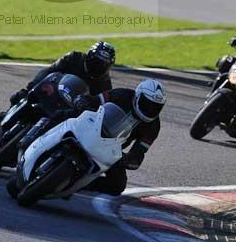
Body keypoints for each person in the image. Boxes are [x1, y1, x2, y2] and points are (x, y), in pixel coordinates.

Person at [9, 78, 166, 199]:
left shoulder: (153, 126)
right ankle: (31, 138)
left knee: (117, 186)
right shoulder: (123, 95)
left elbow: (139, 152)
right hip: (91, 125)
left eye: (156, 107)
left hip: (110, 148)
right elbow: (97, 100)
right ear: (138, 96)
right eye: (147, 103)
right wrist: (83, 101)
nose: (151, 109)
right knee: (60, 115)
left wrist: (130, 160)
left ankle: (75, 185)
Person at [0, 41, 116, 125]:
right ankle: (9, 114)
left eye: (103, 64)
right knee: (21, 95)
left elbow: (100, 108)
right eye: (96, 61)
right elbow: (48, 71)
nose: (98, 66)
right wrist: (32, 86)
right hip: (52, 92)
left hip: (68, 111)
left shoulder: (104, 84)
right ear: (89, 56)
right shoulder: (74, 58)